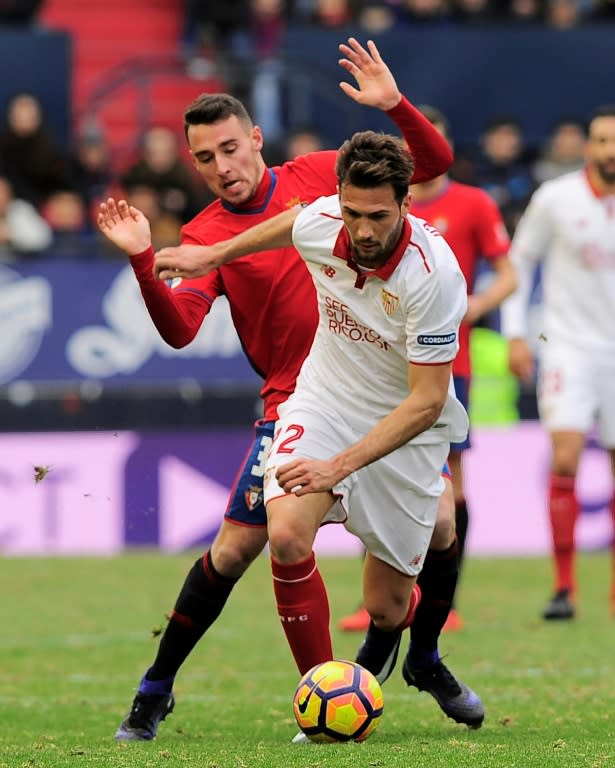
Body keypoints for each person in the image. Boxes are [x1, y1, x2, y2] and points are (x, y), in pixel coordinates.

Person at [98, 38, 482, 741]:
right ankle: (159, 689)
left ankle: (416, 657)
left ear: (256, 139)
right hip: (299, 401)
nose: (221, 168)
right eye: (204, 159)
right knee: (242, 549)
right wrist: (145, 264)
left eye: (229, 150)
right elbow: (181, 329)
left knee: (443, 529)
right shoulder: (207, 229)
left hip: (394, 402)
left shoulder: (323, 180)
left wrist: (393, 106)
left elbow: (425, 168)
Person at [338, 105, 517, 634]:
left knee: (448, 487)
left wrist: (478, 305)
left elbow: (508, 272)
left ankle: (447, 599)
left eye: (430, 142)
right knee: (368, 478)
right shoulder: (373, 209)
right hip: (377, 363)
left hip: (444, 364)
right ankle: (374, 598)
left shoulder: (474, 204)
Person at [500, 104, 615, 621]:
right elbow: (518, 263)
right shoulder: (556, 199)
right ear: (587, 146)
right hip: (568, 346)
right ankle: (564, 587)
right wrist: (517, 333)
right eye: (601, 141)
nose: (609, 152)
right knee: (565, 458)